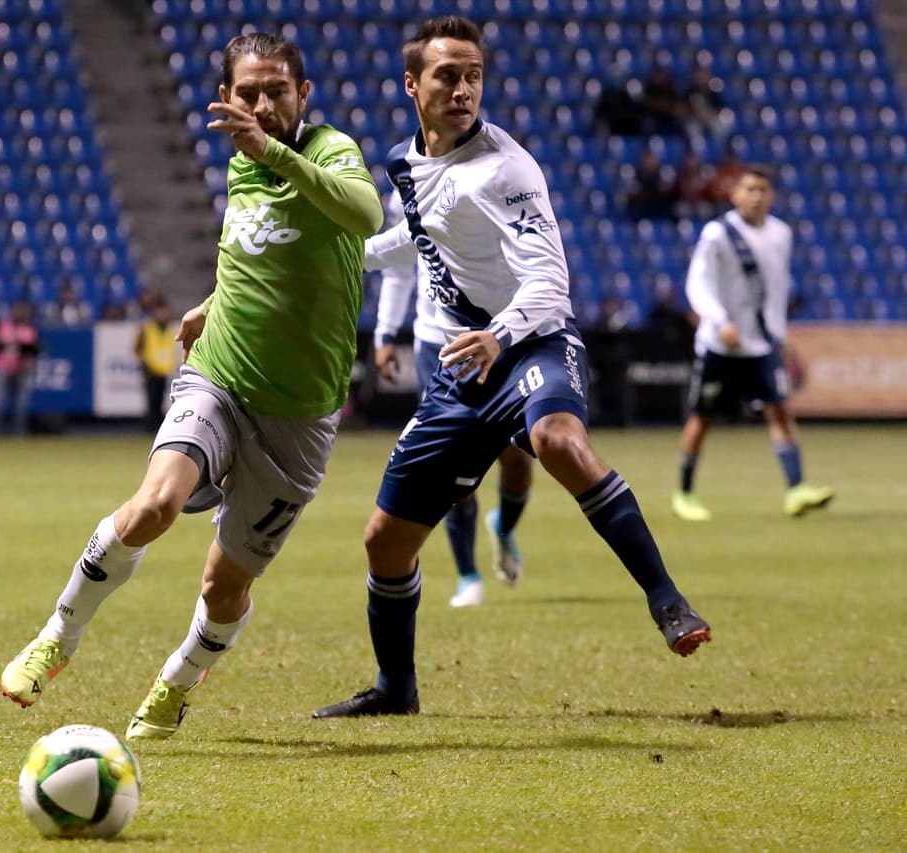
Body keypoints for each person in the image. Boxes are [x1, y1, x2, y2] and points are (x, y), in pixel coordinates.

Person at [314, 17, 710, 720]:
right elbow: (421, 235)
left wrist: (499, 335)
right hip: (462, 369)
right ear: (412, 85)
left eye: (473, 76)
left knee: (557, 440)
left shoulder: (508, 168)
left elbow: (550, 282)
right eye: (447, 75)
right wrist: (346, 255)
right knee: (385, 542)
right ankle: (396, 689)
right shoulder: (405, 163)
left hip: (532, 343)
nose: (463, 89)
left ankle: (666, 598)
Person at [0, 32, 382, 739]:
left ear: (303, 95)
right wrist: (212, 301)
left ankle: (177, 679)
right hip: (220, 375)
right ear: (226, 96)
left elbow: (365, 216)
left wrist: (272, 153)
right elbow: (255, 252)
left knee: (223, 586)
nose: (262, 106)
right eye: (248, 93)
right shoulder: (241, 162)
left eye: (277, 91)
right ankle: (58, 635)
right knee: (155, 505)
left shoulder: (328, 151)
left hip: (299, 414)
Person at [372, 221, 532, 606]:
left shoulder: (497, 188)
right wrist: (385, 333)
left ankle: (503, 526)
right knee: (452, 463)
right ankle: (468, 575)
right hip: (438, 342)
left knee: (516, 458)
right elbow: (396, 264)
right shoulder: (409, 192)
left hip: (500, 334)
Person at [672, 166, 834, 521]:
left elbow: (776, 287)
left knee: (780, 411)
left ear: (771, 196)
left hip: (761, 343)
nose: (756, 196)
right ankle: (684, 493)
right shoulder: (718, 233)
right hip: (721, 344)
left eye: (762, 190)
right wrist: (719, 321)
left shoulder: (781, 234)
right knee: (703, 418)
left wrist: (777, 332)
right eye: (749, 189)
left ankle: (796, 490)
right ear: (735, 195)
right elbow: (698, 282)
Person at [0, 299, 42, 437]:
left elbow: (37, 349)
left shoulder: (30, 328)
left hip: (22, 370)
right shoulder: (2, 325)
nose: (20, 313)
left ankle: (19, 434)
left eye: (23, 310)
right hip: (2, 368)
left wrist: (25, 349)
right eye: (18, 310)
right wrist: (3, 343)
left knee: (21, 405)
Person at [135, 296, 178, 431]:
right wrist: (146, 363)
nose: (163, 315)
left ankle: (156, 427)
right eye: (160, 312)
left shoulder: (169, 329)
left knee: (160, 400)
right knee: (152, 400)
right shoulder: (147, 328)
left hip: (163, 370)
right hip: (150, 370)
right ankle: (150, 426)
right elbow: (137, 348)